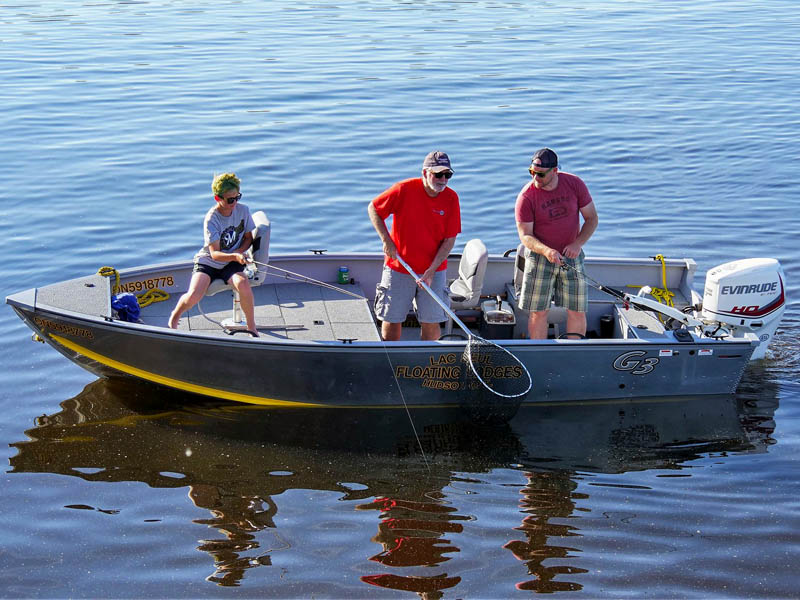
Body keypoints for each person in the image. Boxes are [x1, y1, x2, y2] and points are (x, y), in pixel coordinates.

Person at [368, 151, 461, 341]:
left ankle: (428, 364)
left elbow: (449, 241)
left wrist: (430, 271)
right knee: (392, 318)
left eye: (447, 175)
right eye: (438, 174)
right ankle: (392, 360)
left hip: (434, 270)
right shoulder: (403, 189)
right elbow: (374, 209)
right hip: (399, 266)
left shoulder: (451, 199)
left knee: (431, 320)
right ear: (425, 172)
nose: (443, 180)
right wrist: (386, 240)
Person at [515, 148, 598, 339]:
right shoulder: (527, 197)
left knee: (577, 310)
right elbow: (525, 236)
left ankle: (574, 352)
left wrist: (577, 244)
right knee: (539, 311)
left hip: (571, 256)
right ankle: (538, 353)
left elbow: (592, 218)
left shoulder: (574, 184)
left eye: (541, 174)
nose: (536, 178)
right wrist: (546, 251)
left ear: (555, 171)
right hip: (540, 257)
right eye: (532, 172)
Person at [168, 172, 259, 337]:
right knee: (194, 295)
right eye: (230, 199)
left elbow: (248, 239)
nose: (234, 202)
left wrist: (239, 252)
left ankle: (252, 328)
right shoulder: (212, 219)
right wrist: (234, 256)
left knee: (243, 283)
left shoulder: (244, 210)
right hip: (209, 262)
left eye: (237, 197)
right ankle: (176, 315)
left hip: (232, 261)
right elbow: (215, 254)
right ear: (218, 198)